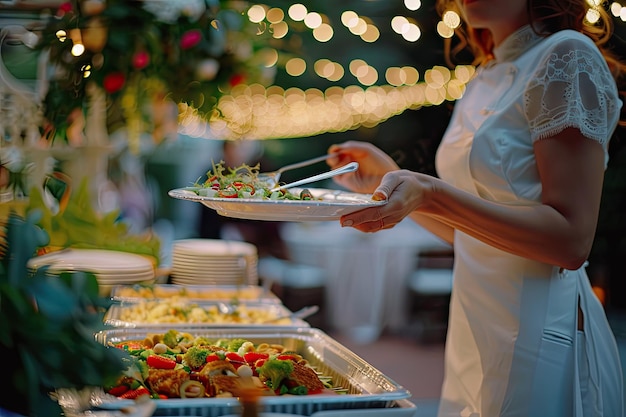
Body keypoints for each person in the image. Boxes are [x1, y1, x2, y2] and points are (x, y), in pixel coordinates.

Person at [326, 0, 625, 416]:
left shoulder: (566, 55)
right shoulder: (485, 73)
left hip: (537, 330)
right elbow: (470, 234)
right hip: (474, 328)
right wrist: (389, 180)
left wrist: (431, 193)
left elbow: (571, 241)